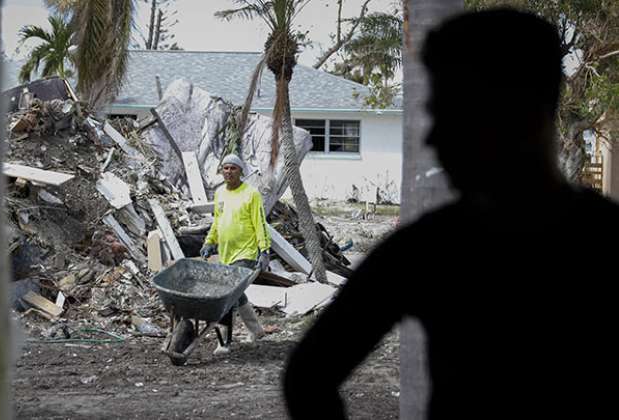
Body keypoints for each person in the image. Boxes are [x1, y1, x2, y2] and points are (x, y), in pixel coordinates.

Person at [283, 8, 619, 420]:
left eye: (454, 116)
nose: (433, 136)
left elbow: (307, 375)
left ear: (522, 116)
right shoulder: (605, 238)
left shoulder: (433, 247)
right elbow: (306, 375)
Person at [201, 153, 271, 355]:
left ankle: (224, 342)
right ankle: (256, 331)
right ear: (221, 171)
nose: (229, 172)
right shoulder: (220, 193)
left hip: (246, 252)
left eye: (233, 168)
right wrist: (209, 241)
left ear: (241, 171)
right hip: (226, 254)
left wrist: (264, 249)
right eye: (225, 168)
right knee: (237, 294)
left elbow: (260, 223)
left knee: (228, 296)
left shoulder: (251, 194)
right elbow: (217, 221)